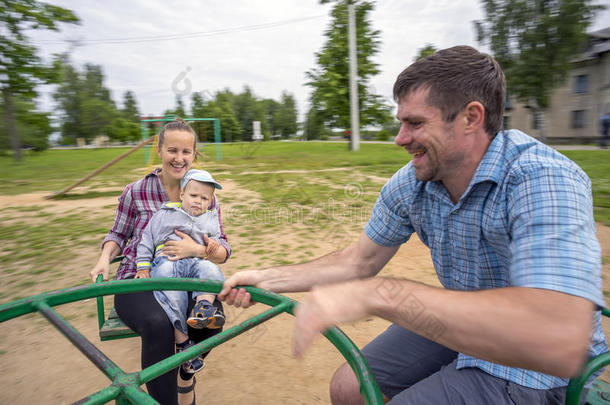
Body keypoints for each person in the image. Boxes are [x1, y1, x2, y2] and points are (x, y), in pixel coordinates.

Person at [219, 46, 606, 404]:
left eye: (415, 123)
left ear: (471, 117)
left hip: (538, 366)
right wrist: (266, 278)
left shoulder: (543, 178)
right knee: (348, 388)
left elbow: (557, 332)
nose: (400, 139)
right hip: (462, 325)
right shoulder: (415, 181)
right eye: (401, 122)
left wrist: (382, 295)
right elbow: (359, 261)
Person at [90, 118, 231, 405]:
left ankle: (185, 370)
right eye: (172, 150)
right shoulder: (136, 191)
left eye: (186, 152)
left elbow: (223, 250)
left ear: (194, 155)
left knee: (211, 320)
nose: (179, 159)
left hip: (187, 275)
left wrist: (197, 250)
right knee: (159, 322)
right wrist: (105, 257)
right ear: (159, 149)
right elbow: (118, 233)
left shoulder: (204, 194)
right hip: (139, 276)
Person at [135, 169, 227, 375]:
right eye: (194, 195)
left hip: (195, 261)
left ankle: (203, 306)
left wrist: (211, 245)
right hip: (167, 260)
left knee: (210, 269)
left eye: (204, 198)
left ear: (210, 201)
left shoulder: (209, 218)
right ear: (182, 194)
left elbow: (219, 242)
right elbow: (146, 240)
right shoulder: (165, 213)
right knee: (171, 293)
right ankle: (183, 342)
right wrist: (142, 266)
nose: (198, 201)